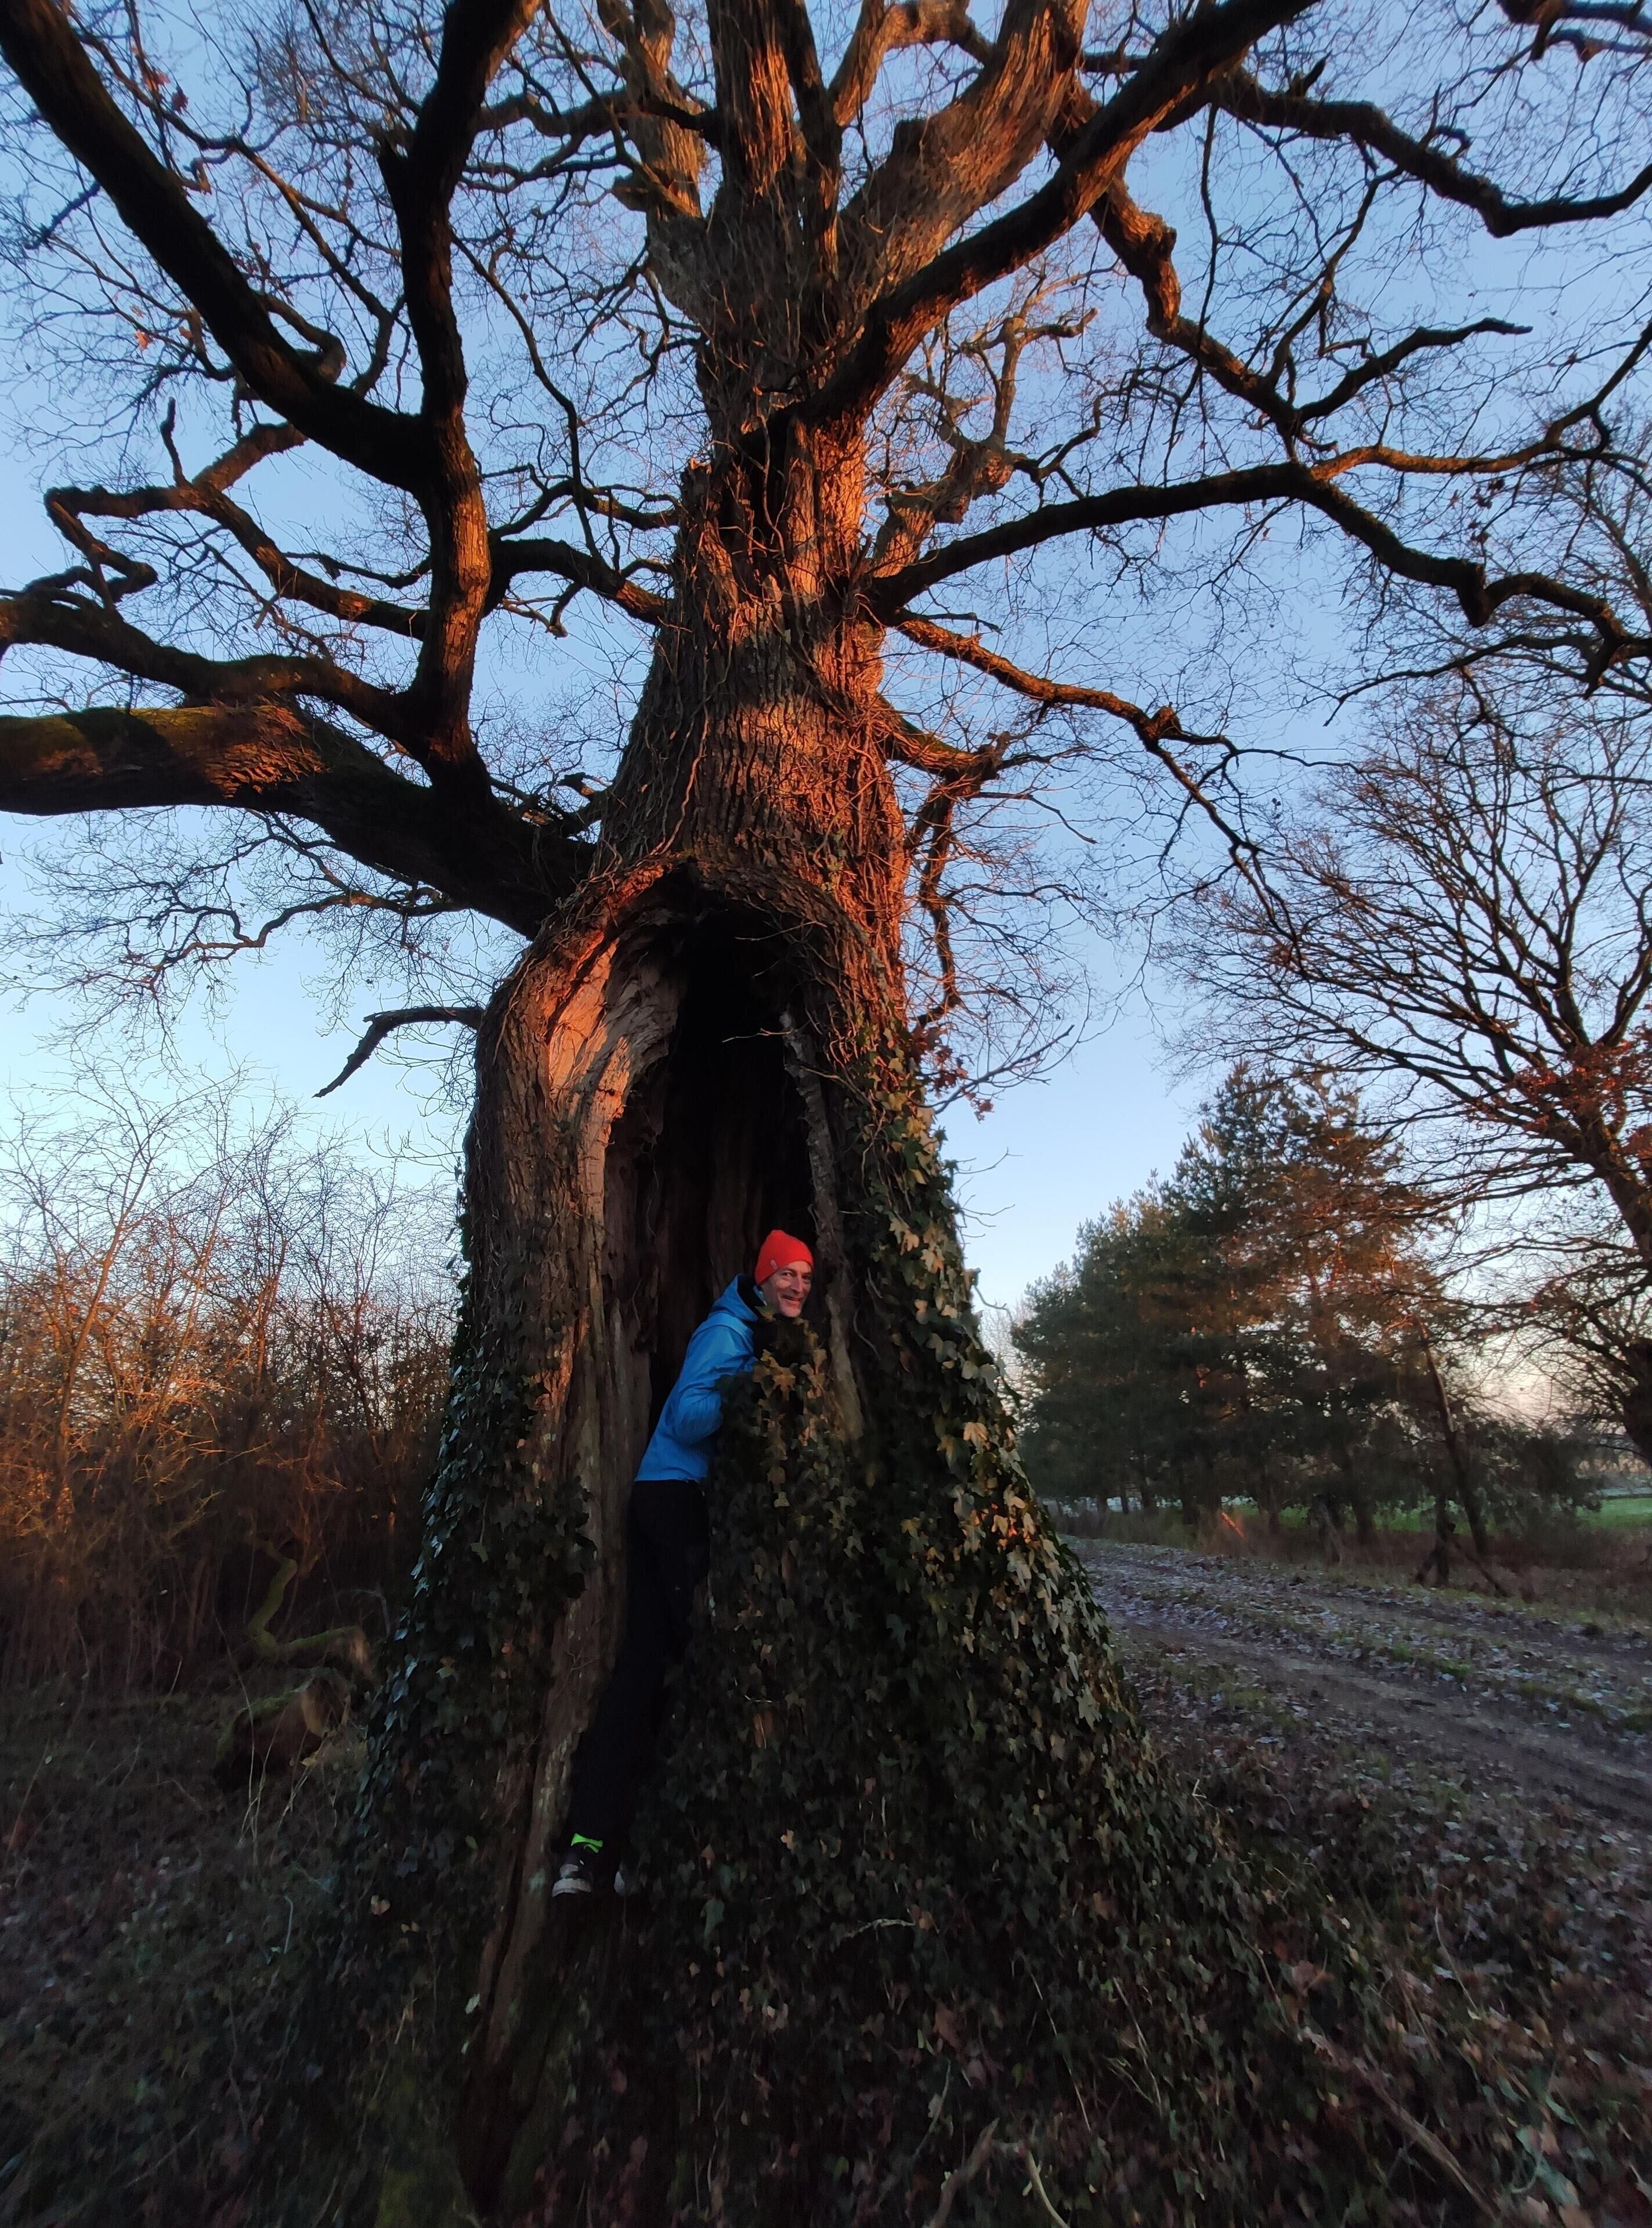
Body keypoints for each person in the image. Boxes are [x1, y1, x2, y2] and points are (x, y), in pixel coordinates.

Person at [552, 1228, 815, 1897]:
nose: (797, 1287)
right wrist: (748, 1388)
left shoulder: (746, 1331)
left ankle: (593, 1852)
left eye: (806, 1278)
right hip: (674, 1499)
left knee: (645, 1668)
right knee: (701, 1662)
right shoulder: (726, 1334)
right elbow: (688, 1416)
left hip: (664, 1499)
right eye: (786, 1274)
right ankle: (627, 1852)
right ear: (761, 1277)